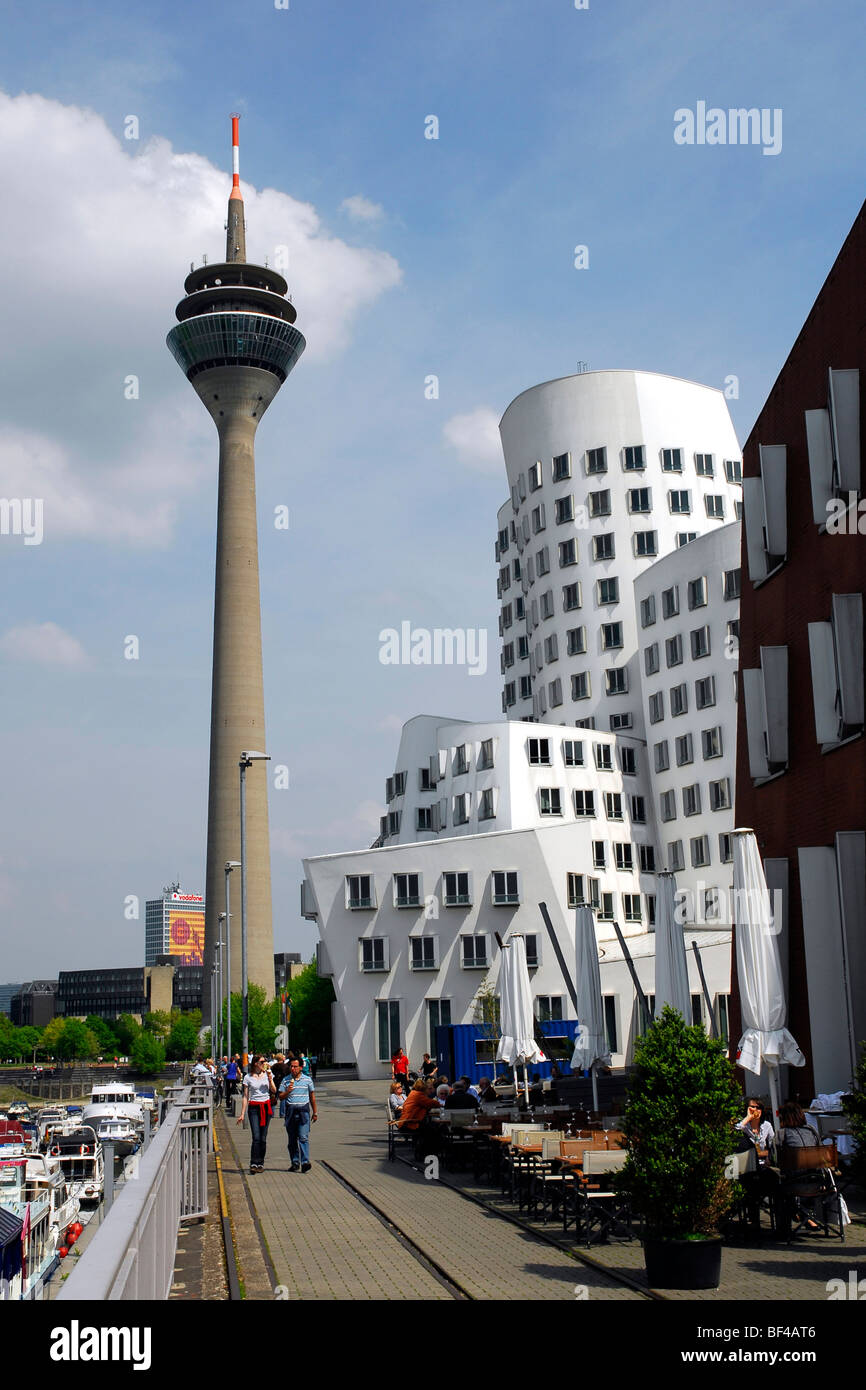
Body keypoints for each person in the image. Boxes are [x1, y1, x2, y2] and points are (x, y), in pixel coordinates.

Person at [237, 1055, 276, 1173]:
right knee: (256, 1137)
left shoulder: (268, 1074)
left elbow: (274, 1090)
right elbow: (245, 1096)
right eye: (262, 1061)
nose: (265, 1063)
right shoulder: (248, 1077)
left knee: (263, 1138)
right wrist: (242, 1113)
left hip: (266, 1106)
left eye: (265, 1061)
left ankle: (260, 1163)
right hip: (254, 1107)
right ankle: (253, 1162)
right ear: (255, 1063)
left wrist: (270, 1078)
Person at [279, 1057, 318, 1172]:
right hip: (290, 1112)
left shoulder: (307, 1080)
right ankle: (295, 1162)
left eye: (295, 1066)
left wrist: (315, 1112)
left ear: (301, 1067)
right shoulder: (286, 1080)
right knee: (292, 1140)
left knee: (303, 1137)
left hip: (303, 1112)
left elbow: (312, 1097)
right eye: (291, 1066)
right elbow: (280, 1096)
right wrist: (288, 1091)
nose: (293, 1068)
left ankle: (305, 1162)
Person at [736, 1098, 774, 1165]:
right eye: (752, 1107)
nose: (755, 1110)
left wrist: (766, 1154)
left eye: (758, 1108)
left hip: (763, 1164)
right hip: (748, 1164)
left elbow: (772, 1144)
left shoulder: (766, 1125)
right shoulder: (744, 1125)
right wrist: (748, 1118)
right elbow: (735, 1131)